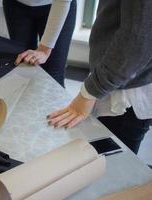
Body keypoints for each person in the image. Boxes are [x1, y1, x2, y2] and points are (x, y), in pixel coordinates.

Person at [47, 0, 152, 154]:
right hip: (114, 79)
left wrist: (91, 91)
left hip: (125, 95)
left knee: (113, 164)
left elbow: (137, 42)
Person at [0, 0, 77, 87]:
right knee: (23, 71)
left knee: (53, 77)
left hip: (58, 5)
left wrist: (44, 50)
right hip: (16, 7)